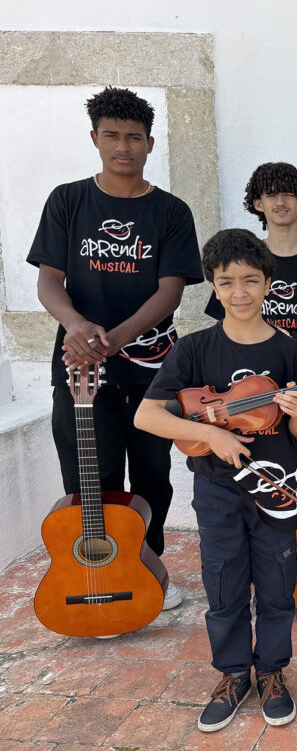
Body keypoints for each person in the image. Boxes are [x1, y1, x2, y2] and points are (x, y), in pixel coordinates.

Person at [135, 229, 297, 731]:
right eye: (226, 281)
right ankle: (234, 673)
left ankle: (272, 672)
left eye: (250, 280)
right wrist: (210, 434)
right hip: (217, 488)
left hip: (277, 486)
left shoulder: (291, 352)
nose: (239, 292)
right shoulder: (194, 348)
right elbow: (146, 416)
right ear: (214, 288)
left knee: (278, 583)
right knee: (223, 582)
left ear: (267, 283)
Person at [27, 86, 203, 612]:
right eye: (111, 136)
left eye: (133, 137)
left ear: (150, 143)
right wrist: (78, 326)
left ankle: (148, 571)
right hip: (78, 368)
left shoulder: (171, 211)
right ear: (94, 139)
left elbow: (170, 292)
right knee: (90, 477)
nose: (122, 146)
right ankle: (94, 570)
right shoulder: (67, 201)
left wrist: (112, 341)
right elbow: (49, 281)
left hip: (151, 368)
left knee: (152, 477)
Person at [205, 162, 297, 472]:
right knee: (264, 476)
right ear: (258, 204)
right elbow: (222, 326)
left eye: (289, 194)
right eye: (271, 195)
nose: (281, 202)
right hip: (253, 391)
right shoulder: (244, 265)